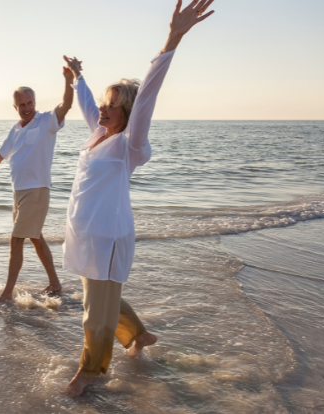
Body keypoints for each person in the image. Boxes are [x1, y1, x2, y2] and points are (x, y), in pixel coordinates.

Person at [62, 0, 216, 397]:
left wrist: (172, 39)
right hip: (86, 234)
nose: (104, 110)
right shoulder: (100, 135)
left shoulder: (128, 145)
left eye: (114, 106)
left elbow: (147, 96)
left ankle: (90, 372)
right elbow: (88, 105)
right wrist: (79, 78)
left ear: (129, 113)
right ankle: (139, 335)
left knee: (94, 312)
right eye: (105, 103)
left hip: (108, 236)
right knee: (102, 297)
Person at [0, 66, 74, 304]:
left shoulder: (46, 121)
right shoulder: (16, 129)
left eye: (30, 103)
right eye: (22, 105)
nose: (27, 108)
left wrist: (68, 80)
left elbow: (66, 105)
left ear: (35, 103)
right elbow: (0, 155)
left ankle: (7, 294)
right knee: (35, 238)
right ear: (15, 107)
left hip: (36, 190)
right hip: (18, 192)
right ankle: (55, 284)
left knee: (16, 239)